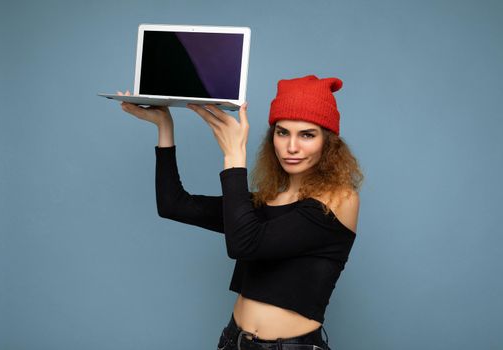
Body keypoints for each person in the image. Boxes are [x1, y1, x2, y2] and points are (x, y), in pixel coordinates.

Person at [118, 75, 363, 350]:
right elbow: (173, 204)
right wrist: (164, 126)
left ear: (328, 143)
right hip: (233, 340)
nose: (292, 147)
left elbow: (244, 243)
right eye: (283, 132)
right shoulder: (265, 202)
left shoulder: (341, 200)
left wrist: (234, 156)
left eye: (307, 134)